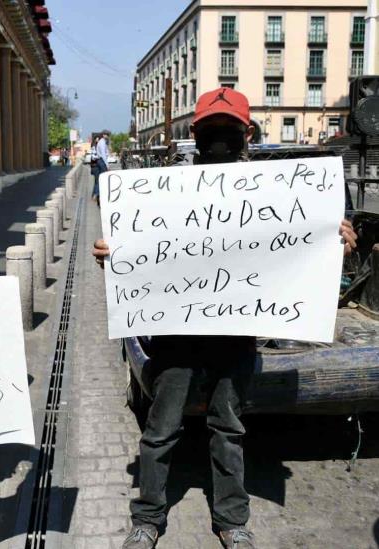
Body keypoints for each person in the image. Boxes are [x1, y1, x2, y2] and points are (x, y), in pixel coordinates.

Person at [91, 87, 358, 549]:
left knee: (229, 430)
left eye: (228, 132)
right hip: (176, 333)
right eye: (211, 133)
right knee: (160, 430)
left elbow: (302, 244)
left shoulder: (276, 190)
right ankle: (148, 519)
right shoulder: (164, 191)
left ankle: (232, 520)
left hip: (236, 333)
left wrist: (334, 239)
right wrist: (113, 254)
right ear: (195, 135)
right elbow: (139, 245)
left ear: (246, 134)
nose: (219, 141)